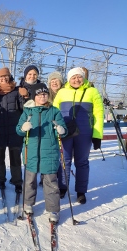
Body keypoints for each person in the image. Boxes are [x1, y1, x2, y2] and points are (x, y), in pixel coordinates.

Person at [16, 83, 67, 223]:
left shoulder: (54, 111)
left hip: (49, 152)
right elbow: (18, 129)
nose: (42, 96)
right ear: (34, 96)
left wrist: (62, 129)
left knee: (51, 182)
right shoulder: (28, 111)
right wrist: (23, 128)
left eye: (45, 94)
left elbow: (63, 128)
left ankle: (53, 209)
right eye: (39, 94)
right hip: (30, 151)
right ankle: (28, 203)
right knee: (29, 181)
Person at [53, 67, 104, 204]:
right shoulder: (62, 92)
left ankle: (81, 191)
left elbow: (98, 114)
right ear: (69, 79)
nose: (76, 79)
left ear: (84, 78)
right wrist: (55, 129)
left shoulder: (92, 91)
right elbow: (54, 112)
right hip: (65, 132)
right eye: (73, 77)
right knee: (64, 161)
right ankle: (62, 188)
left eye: (79, 77)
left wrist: (97, 135)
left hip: (85, 133)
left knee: (82, 162)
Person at [0, 67, 23, 193]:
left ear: (9, 77)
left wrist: (25, 96)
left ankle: (17, 181)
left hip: (14, 130)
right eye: (0, 77)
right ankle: (1, 179)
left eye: (5, 76)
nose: (3, 79)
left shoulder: (17, 91)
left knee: (15, 158)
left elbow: (23, 108)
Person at [37, 71, 64, 187]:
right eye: (52, 81)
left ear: (60, 82)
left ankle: (59, 179)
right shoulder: (46, 94)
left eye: (56, 80)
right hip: (47, 128)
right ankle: (44, 177)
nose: (54, 83)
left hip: (60, 126)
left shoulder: (65, 92)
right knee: (45, 154)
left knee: (59, 156)